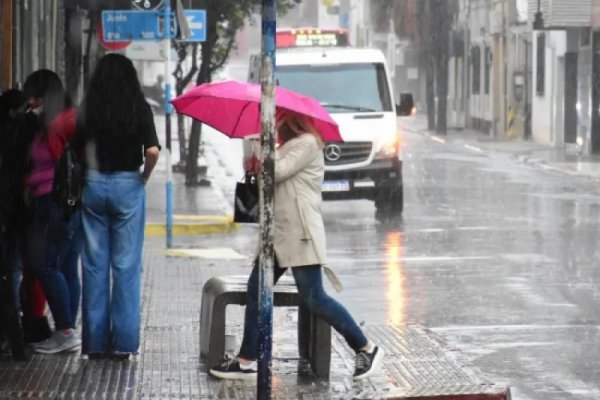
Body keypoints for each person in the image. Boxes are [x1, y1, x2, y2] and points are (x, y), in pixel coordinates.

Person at [209, 109, 384, 381]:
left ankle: (365, 347)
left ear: (291, 120)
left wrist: (262, 153)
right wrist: (253, 168)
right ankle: (246, 360)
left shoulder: (307, 143)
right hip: (277, 235)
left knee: (314, 298)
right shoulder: (287, 146)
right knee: (256, 290)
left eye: (277, 120)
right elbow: (270, 179)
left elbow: (279, 171)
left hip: (300, 233)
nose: (274, 125)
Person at [75, 53, 160, 360]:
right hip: (128, 185)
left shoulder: (89, 110)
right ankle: (123, 344)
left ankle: (95, 344)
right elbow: (151, 150)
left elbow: (78, 151)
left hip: (94, 185)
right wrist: (143, 177)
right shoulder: (139, 108)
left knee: (94, 266)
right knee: (125, 267)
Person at [23, 70, 82, 354]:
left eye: (32, 95)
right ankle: (68, 329)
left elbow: (60, 164)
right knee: (67, 266)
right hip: (74, 203)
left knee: (45, 264)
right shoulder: (71, 115)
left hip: (53, 201)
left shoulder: (56, 123)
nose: (29, 102)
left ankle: (65, 330)